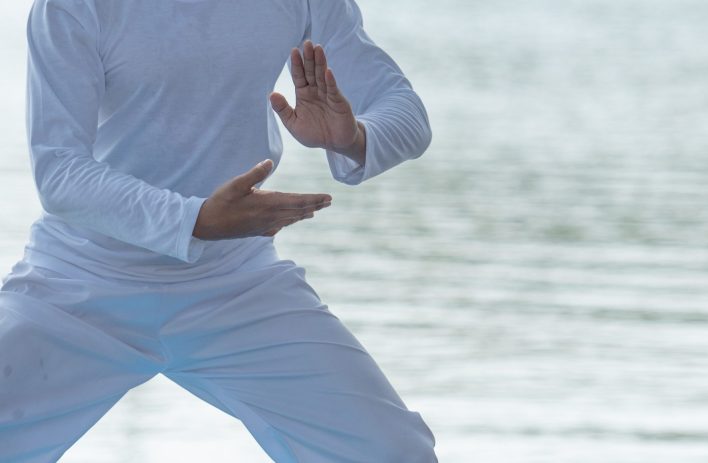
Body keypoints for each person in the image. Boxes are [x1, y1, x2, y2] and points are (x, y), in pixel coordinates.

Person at [0, 0, 436, 461]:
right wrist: (194, 220)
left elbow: (407, 114)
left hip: (236, 286)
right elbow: (60, 171)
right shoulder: (72, 6)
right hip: (81, 284)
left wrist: (352, 137)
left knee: (393, 451)